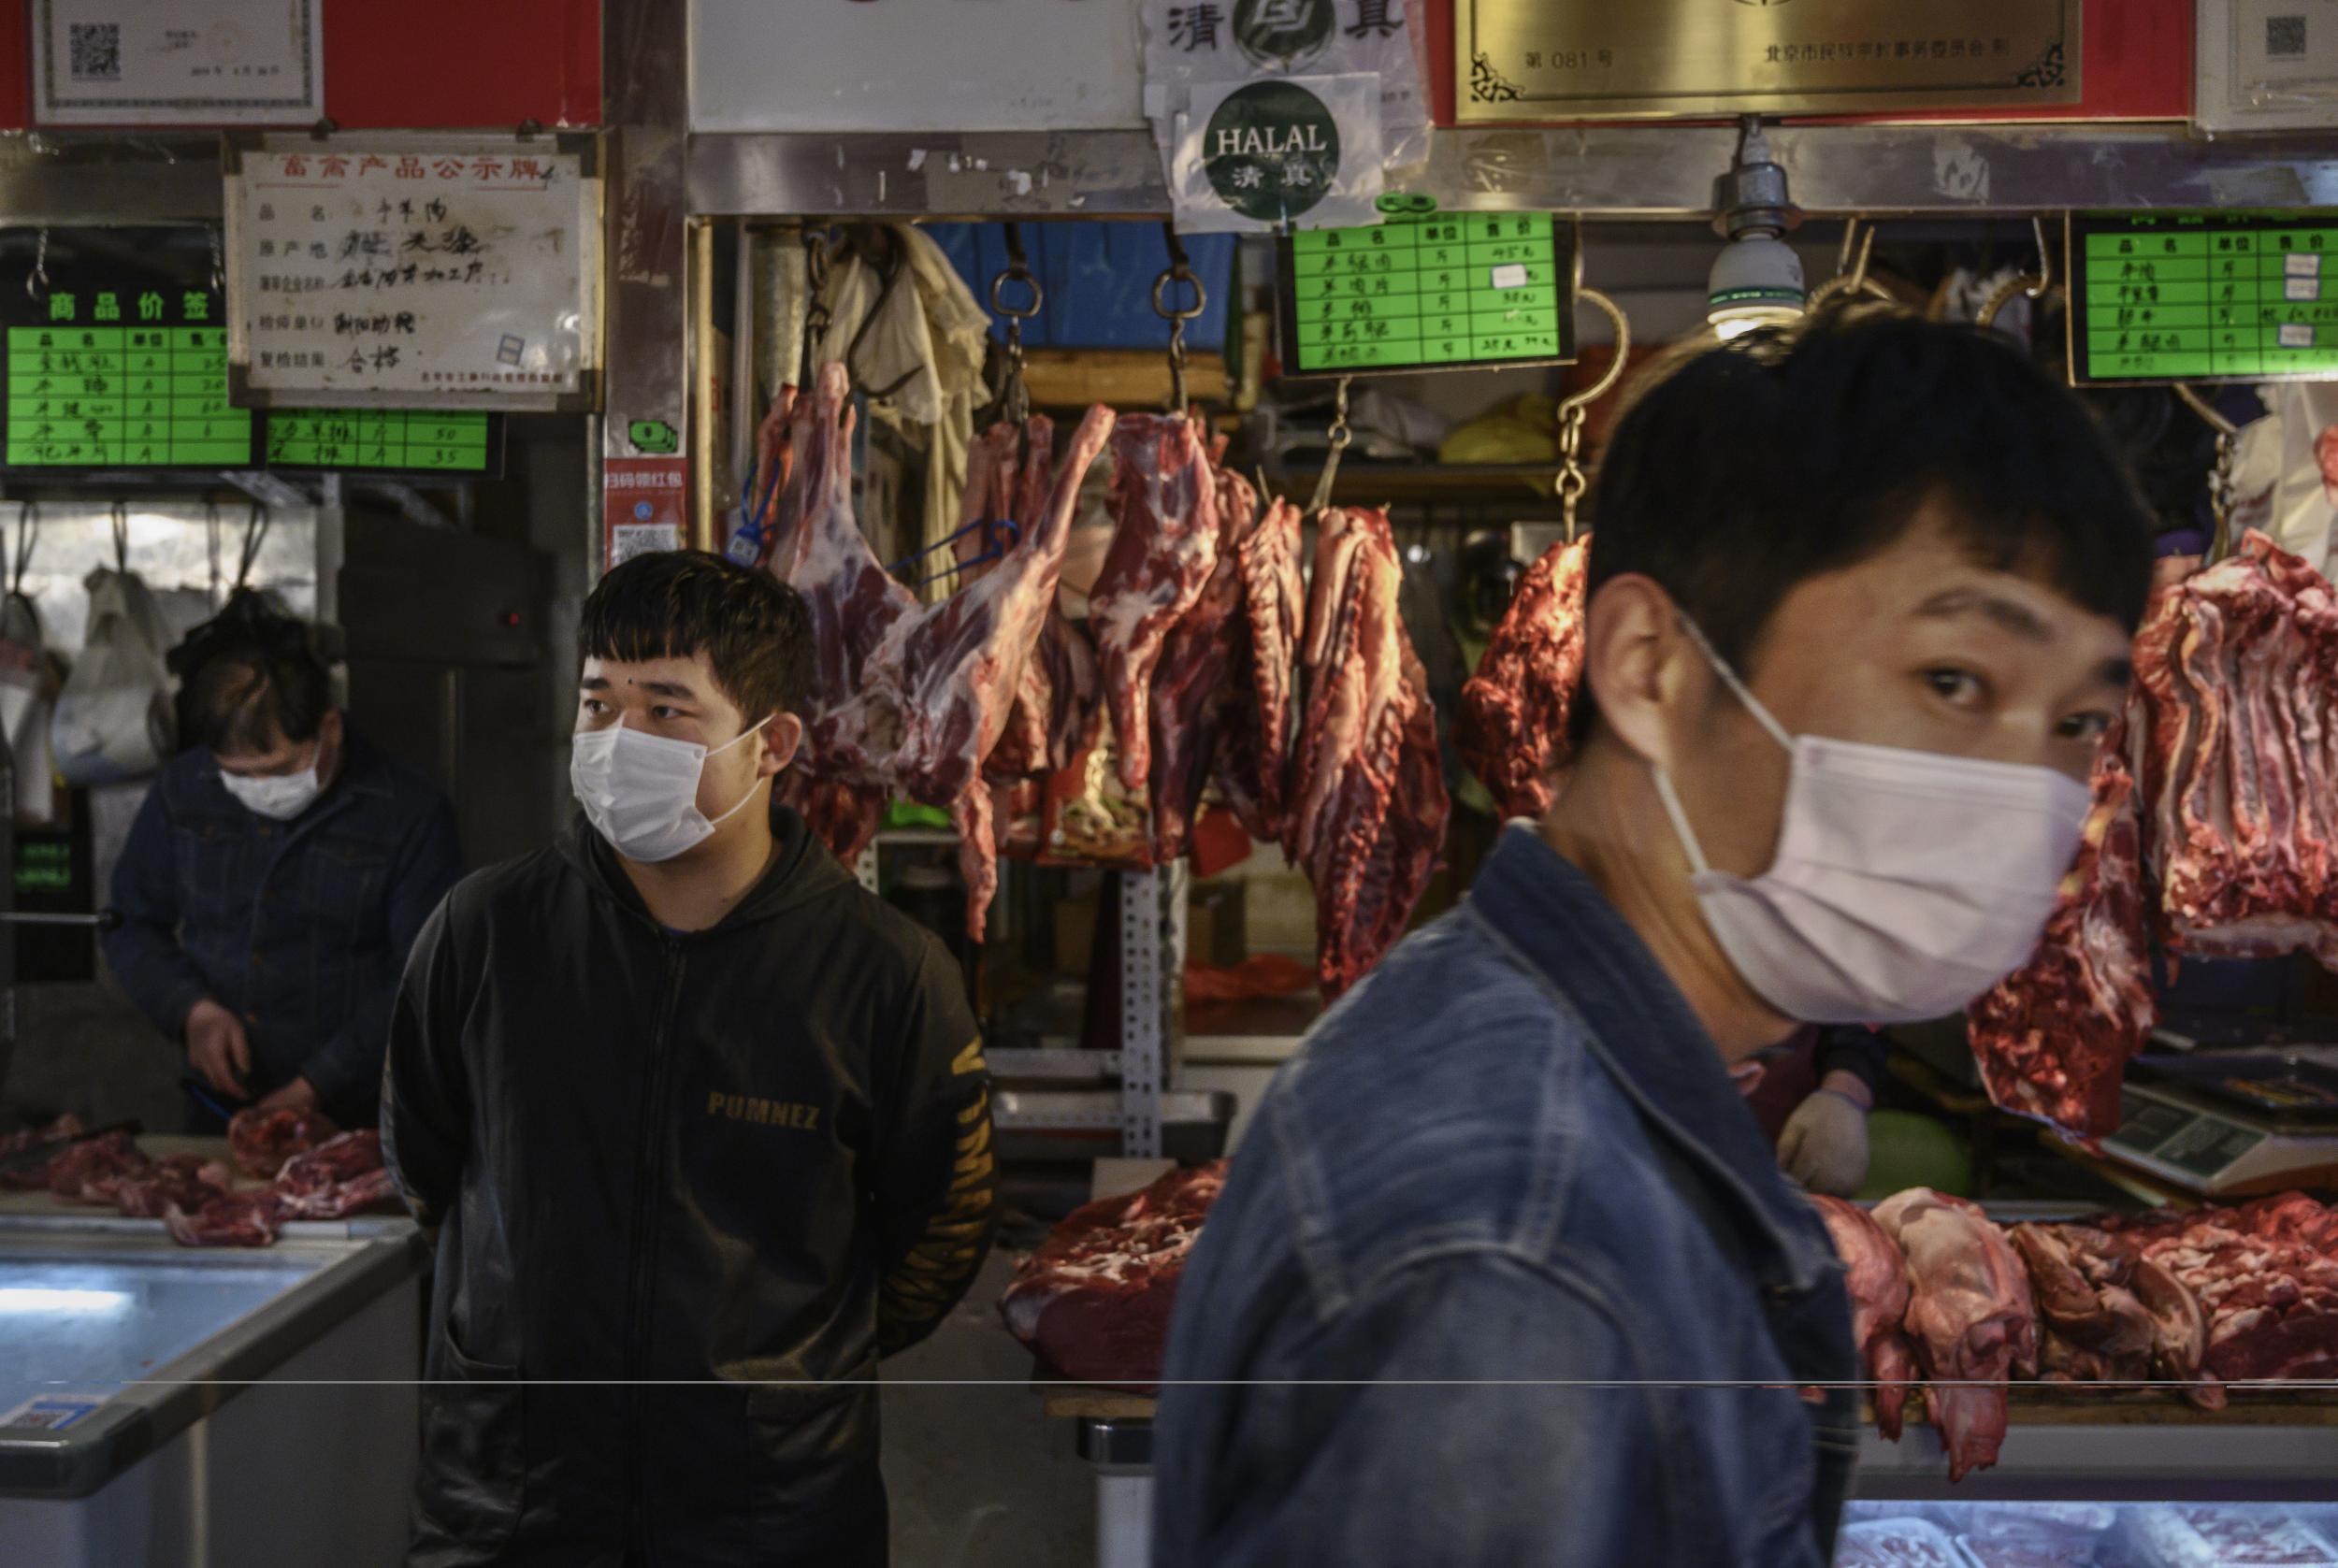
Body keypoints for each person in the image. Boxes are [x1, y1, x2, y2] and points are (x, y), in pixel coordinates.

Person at [1152, 313, 2153, 1567]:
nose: (2027, 789)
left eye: (2075, 722)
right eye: (1956, 680)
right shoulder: (1516, 1258)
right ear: (1650, 667)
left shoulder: (1558, 1094)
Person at [382, 550, 996, 1568]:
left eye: (666, 710)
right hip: (509, 1500)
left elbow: (940, 1235)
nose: (620, 740)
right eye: (598, 704)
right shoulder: (486, 930)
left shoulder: (885, 973)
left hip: (771, 1510)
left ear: (773, 745)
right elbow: (422, 1164)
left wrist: (775, 1383)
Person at [105, 597, 460, 1129]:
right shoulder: (184, 791)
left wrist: (320, 1082)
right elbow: (129, 922)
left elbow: (427, 974)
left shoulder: (408, 812)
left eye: (278, 769)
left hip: (360, 1120)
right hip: (221, 1113)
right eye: (239, 776)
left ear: (330, 729)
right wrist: (191, 1012)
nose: (259, 791)